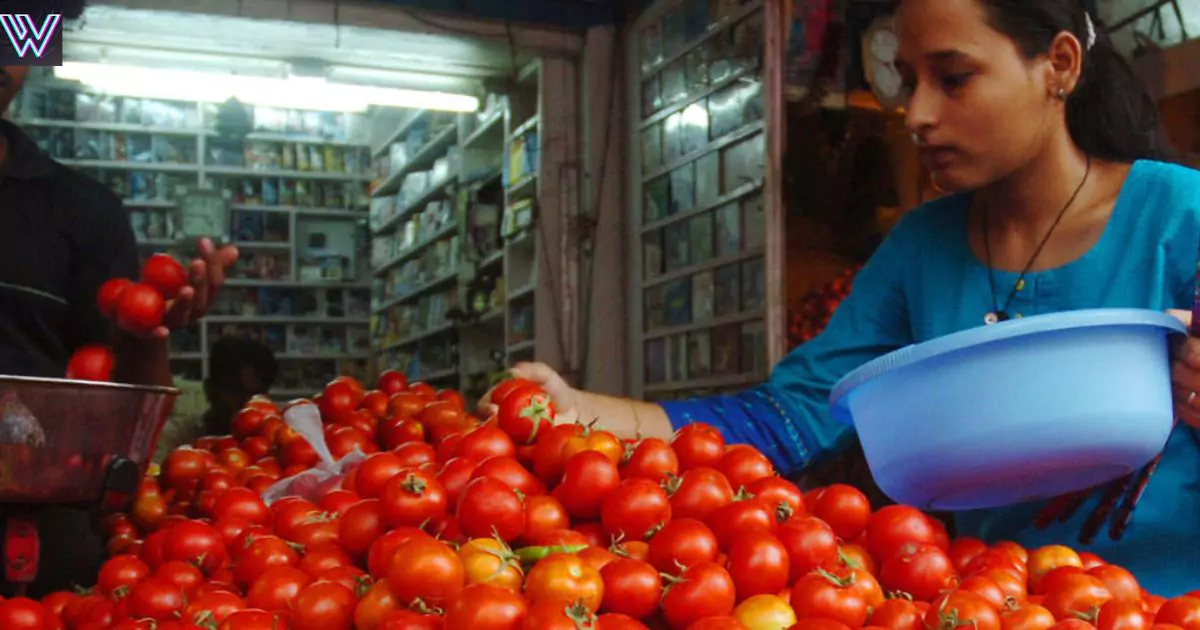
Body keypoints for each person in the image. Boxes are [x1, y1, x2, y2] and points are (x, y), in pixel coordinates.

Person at [491, 0, 1200, 597]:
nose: (917, 114)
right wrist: (584, 412)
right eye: (906, 81)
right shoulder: (920, 247)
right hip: (997, 607)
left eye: (954, 78)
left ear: (1061, 65)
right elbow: (796, 414)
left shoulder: (1181, 218)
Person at [0, 0, 239, 596]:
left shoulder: (85, 212)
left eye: (23, 22)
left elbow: (114, 410)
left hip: (32, 549)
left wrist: (152, 330)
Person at [154, 337, 278, 462]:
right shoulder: (175, 438)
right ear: (210, 390)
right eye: (235, 391)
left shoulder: (277, 440)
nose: (247, 404)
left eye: (256, 394)